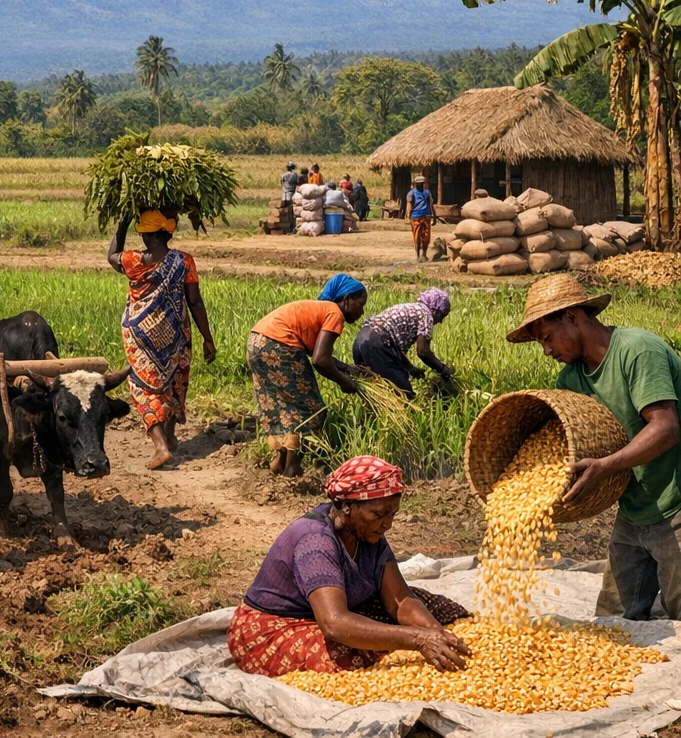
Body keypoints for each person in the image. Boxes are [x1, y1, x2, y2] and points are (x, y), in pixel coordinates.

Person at [508, 275, 681, 621]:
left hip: (676, 507)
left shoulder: (636, 352)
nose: (547, 351)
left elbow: (665, 427)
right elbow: (571, 444)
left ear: (572, 317)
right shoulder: (570, 380)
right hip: (634, 512)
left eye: (547, 337)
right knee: (611, 622)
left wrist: (606, 466)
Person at [228, 456, 470, 676]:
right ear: (347, 507)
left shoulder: (368, 533)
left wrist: (436, 634)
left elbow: (400, 600)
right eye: (379, 514)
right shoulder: (315, 541)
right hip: (273, 628)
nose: (388, 524)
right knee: (359, 656)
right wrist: (417, 639)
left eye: (392, 514)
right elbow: (334, 624)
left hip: (330, 610)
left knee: (434, 607)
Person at [109, 210, 216, 470]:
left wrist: (121, 223)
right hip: (177, 335)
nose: (142, 236)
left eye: (143, 231)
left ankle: (161, 446)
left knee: (143, 387)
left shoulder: (135, 260)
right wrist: (207, 338)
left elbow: (111, 256)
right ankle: (168, 435)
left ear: (151, 234)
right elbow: (195, 301)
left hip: (141, 338)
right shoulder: (184, 261)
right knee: (172, 383)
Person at [247, 276, 367, 477]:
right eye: (361, 304)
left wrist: (348, 369)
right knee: (309, 408)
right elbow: (320, 361)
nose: (361, 311)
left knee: (281, 406)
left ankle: (280, 462)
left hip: (258, 341)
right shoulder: (334, 312)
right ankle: (292, 468)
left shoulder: (321, 309)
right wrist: (345, 383)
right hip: (279, 345)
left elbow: (319, 353)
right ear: (346, 299)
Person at [351, 289, 454, 398]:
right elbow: (423, 351)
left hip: (361, 341)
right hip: (376, 344)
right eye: (442, 315)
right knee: (404, 394)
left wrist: (410, 368)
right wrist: (442, 368)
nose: (441, 321)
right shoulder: (426, 315)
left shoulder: (410, 307)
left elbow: (392, 347)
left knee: (375, 390)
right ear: (437, 310)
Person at [406, 175, 436, 263]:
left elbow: (430, 205)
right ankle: (418, 255)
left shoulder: (427, 193)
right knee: (417, 237)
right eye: (419, 184)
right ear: (416, 184)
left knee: (425, 237)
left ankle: (423, 255)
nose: (420, 185)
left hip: (425, 217)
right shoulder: (411, 193)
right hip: (416, 217)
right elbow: (409, 206)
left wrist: (434, 216)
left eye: (421, 184)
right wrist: (409, 217)